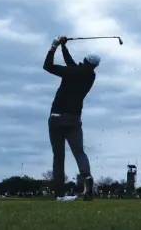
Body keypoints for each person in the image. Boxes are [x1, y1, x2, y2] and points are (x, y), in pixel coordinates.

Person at [43, 36, 101, 202]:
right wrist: (64, 48)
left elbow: (47, 66)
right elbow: (73, 66)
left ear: (84, 61)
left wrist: (54, 45)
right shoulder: (90, 76)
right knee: (79, 152)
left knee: (58, 156)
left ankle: (60, 195)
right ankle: (87, 177)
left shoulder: (72, 72)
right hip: (75, 119)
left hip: (57, 118)